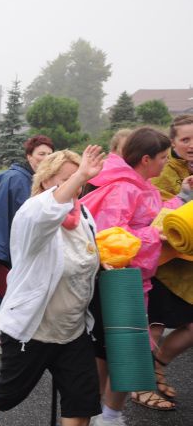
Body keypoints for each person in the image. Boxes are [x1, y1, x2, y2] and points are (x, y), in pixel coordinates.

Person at [0, 147, 106, 426]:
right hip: (33, 329)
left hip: (72, 330)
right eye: (67, 179)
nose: (75, 187)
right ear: (46, 181)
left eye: (79, 180)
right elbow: (48, 211)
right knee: (8, 391)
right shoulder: (33, 212)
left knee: (81, 401)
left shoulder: (84, 215)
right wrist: (82, 174)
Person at [81, 127, 193, 424]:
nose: (166, 163)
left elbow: (153, 216)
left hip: (131, 281)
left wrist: (183, 196)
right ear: (145, 159)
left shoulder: (136, 184)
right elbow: (111, 237)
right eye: (162, 158)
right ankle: (102, 414)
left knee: (118, 350)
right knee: (117, 350)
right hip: (118, 282)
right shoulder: (124, 187)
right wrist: (157, 237)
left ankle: (106, 414)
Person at [0, 135, 54, 355]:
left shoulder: (38, 180)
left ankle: (18, 340)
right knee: (14, 296)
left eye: (50, 154)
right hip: (14, 251)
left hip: (30, 250)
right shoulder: (16, 180)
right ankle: (7, 340)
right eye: (41, 154)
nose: (46, 158)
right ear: (29, 156)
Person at [137, 115, 193, 412]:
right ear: (173, 142)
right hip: (162, 263)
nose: (192, 146)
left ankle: (158, 365)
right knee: (153, 327)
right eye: (186, 140)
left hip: (188, 271)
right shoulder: (163, 170)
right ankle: (141, 384)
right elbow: (160, 216)